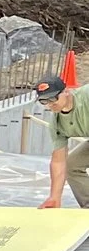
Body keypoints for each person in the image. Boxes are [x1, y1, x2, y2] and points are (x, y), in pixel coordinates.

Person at [37, 76, 89, 207]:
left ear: (66, 92)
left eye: (53, 98)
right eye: (44, 101)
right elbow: (58, 161)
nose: (50, 104)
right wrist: (54, 198)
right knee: (72, 164)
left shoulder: (86, 96)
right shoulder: (56, 124)